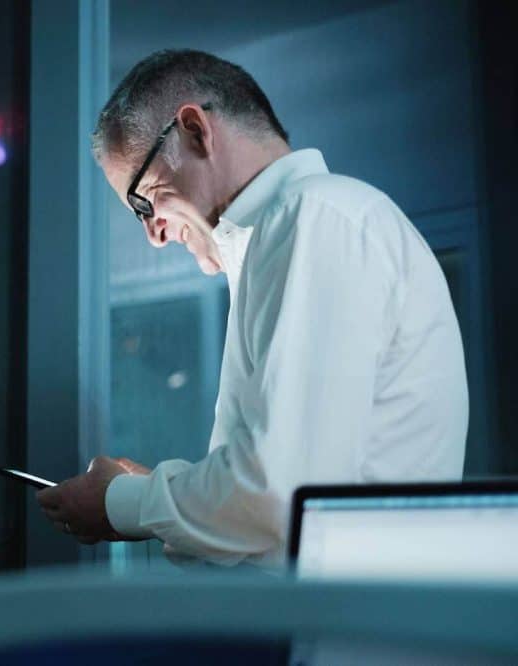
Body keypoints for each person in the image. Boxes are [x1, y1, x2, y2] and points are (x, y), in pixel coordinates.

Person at [37, 49, 468, 568]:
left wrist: (121, 501)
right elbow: (270, 495)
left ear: (194, 130)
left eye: (144, 200)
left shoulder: (314, 217)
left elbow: (277, 494)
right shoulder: (295, 231)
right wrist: (159, 496)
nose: (153, 235)